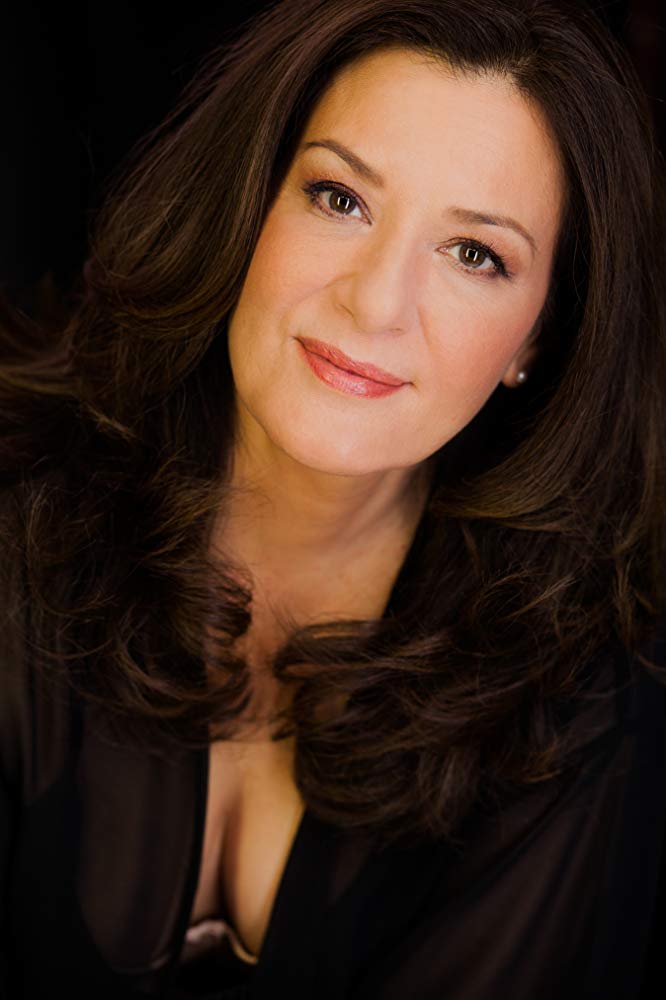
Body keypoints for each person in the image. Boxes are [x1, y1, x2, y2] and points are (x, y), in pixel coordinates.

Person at [1, 0, 666, 997]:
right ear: (249, 198)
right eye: (339, 197)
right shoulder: (21, 520)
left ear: (536, 338)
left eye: (475, 254)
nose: (375, 301)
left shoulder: (577, 698)